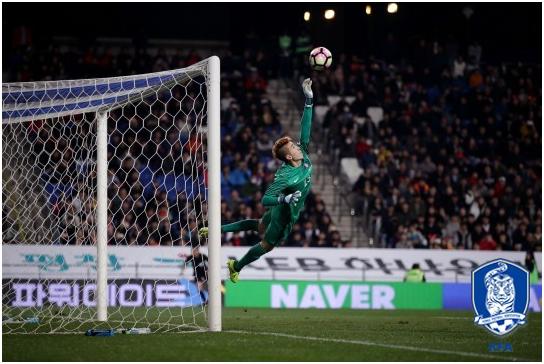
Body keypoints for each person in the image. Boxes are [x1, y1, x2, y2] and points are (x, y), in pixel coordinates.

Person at [199, 78, 314, 283]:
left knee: (260, 225)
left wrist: (308, 101)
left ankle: (216, 230)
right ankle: (236, 266)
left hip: (284, 209)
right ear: (288, 157)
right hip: (286, 214)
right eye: (294, 148)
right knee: (266, 245)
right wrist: (283, 201)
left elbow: (305, 129)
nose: (298, 147)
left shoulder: (303, 154)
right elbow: (265, 199)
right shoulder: (284, 175)